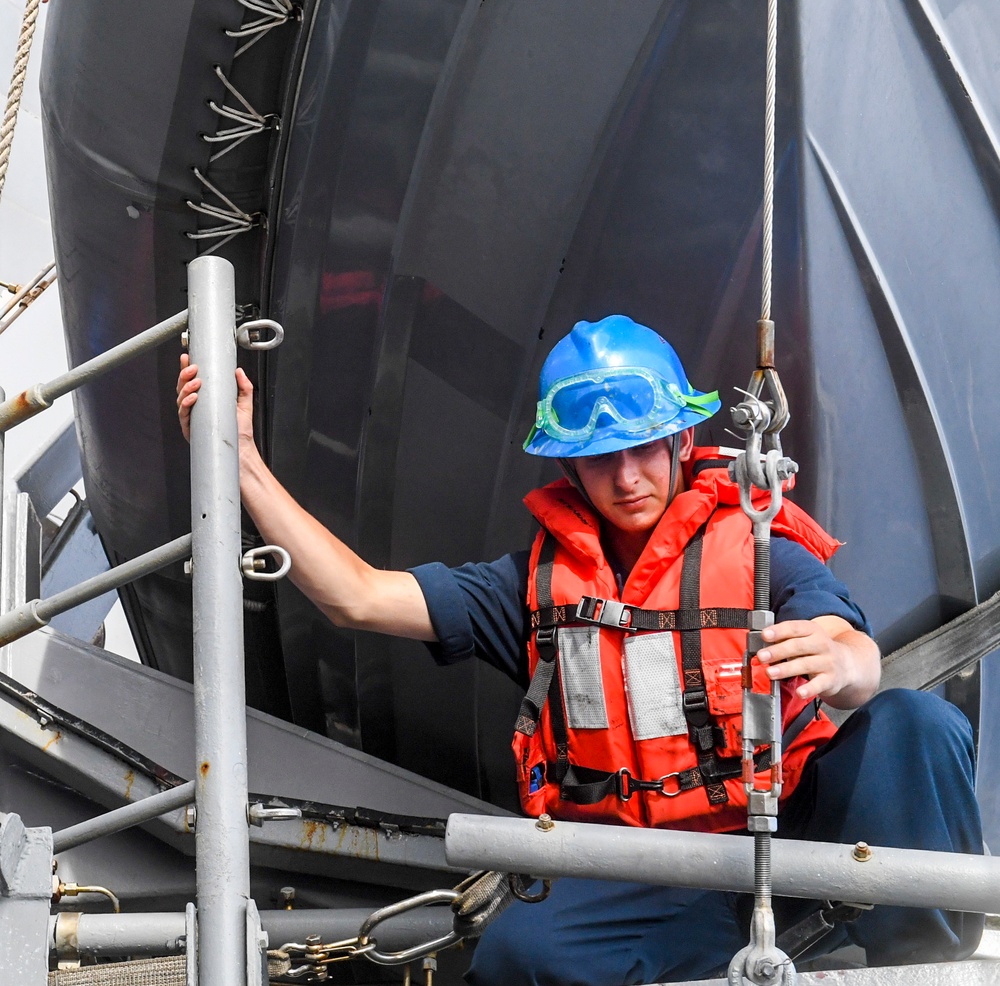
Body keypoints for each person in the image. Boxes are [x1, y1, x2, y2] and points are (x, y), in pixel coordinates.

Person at [177, 314, 984, 985]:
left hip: (796, 846)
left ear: (682, 439)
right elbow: (354, 593)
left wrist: (845, 660)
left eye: (643, 449)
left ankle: (919, 963)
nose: (627, 476)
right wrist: (240, 461)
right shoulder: (528, 586)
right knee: (516, 960)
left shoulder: (761, 540)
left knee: (917, 724)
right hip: (660, 877)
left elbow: (855, 653)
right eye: (601, 456)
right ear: (568, 462)